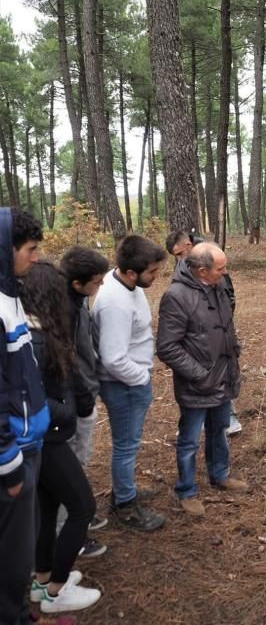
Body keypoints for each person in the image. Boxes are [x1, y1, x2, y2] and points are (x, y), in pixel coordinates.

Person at [20, 262, 101, 614]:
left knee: (48, 506)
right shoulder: (34, 340)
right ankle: (56, 592)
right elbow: (32, 395)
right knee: (83, 506)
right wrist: (67, 410)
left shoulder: (37, 331)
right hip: (48, 439)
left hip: (45, 437)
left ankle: (42, 580)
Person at [157, 242, 248, 517]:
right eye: (220, 268)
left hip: (222, 377)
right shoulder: (176, 296)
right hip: (197, 384)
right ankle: (186, 490)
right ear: (201, 270)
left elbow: (224, 325)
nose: (225, 271)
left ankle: (219, 474)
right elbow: (167, 347)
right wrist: (200, 374)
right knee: (189, 439)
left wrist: (233, 351)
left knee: (219, 428)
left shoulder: (217, 286)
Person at [92, 235, 166, 531]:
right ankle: (124, 503)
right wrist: (142, 379)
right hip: (123, 385)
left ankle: (126, 489)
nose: (156, 276)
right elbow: (112, 358)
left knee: (128, 443)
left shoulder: (125, 283)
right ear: (131, 272)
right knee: (126, 445)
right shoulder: (114, 303)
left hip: (130, 381)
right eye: (152, 272)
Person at [0, 207, 49, 625]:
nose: (36, 257)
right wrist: (9, 467)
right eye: (30, 249)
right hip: (10, 455)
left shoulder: (10, 295)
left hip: (26, 442)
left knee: (22, 552)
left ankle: (19, 612)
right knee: (11, 557)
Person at [59, 246, 110, 557]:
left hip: (82, 396)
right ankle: (69, 534)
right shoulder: (64, 310)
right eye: (96, 281)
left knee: (78, 464)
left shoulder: (77, 302)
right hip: (75, 403)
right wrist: (83, 399)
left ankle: (79, 516)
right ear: (77, 283)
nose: (101, 286)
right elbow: (69, 362)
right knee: (70, 469)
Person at [166, 229, 242, 435]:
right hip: (201, 338)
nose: (179, 259)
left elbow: (228, 295)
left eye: (180, 254)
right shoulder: (187, 271)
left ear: (188, 246)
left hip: (217, 330)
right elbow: (167, 346)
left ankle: (230, 417)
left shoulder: (212, 259)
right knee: (208, 372)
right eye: (176, 256)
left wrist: (224, 322)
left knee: (220, 371)